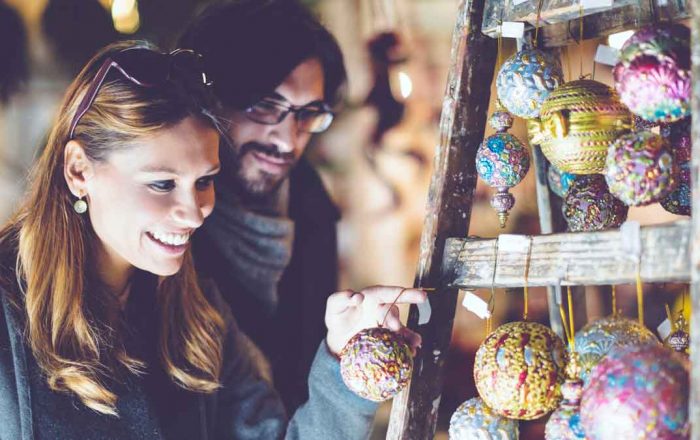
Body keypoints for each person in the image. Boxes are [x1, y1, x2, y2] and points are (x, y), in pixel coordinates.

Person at [0, 40, 425, 440]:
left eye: (204, 181)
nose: (195, 211)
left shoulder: (196, 310)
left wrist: (344, 358)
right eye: (163, 184)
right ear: (78, 171)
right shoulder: (9, 309)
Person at [179, 0, 349, 411]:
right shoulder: (167, 211)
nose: (287, 141)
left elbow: (306, 363)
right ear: (210, 97)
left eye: (308, 114)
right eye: (265, 107)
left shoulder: (308, 198)